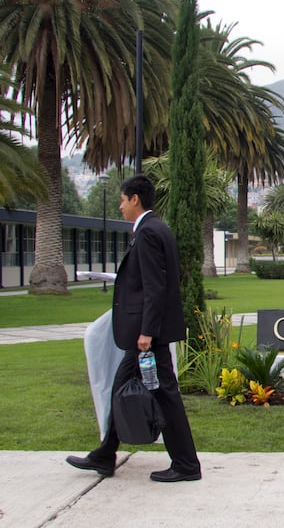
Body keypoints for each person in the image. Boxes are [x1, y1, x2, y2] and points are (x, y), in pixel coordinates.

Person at [67, 174, 202, 483]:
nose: (120, 205)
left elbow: (155, 287)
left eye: (123, 199)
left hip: (148, 337)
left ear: (135, 199)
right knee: (121, 387)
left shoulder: (149, 233)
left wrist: (147, 331)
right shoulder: (156, 229)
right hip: (146, 334)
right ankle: (105, 454)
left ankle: (186, 464)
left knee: (166, 394)